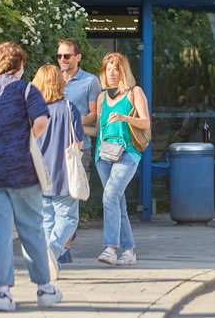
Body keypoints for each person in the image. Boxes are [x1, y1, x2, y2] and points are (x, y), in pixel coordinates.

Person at [0, 42, 62, 311]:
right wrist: (27, 141)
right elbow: (42, 120)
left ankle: (3, 294)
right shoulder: (26, 89)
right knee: (31, 227)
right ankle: (44, 289)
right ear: (20, 65)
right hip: (20, 171)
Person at [94, 52, 150, 266]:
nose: (112, 73)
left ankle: (110, 248)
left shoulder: (134, 93)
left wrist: (126, 118)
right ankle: (129, 250)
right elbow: (99, 129)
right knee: (117, 201)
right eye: (108, 69)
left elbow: (145, 123)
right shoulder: (101, 98)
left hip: (127, 153)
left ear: (123, 71)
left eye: (116, 69)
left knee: (109, 196)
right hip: (104, 154)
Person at [32, 65, 85, 280]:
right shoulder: (68, 108)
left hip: (37, 173)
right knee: (69, 219)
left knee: (46, 220)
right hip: (63, 173)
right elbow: (78, 141)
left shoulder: (31, 110)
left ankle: (46, 266)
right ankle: (52, 251)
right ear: (59, 83)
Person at [55, 38, 102, 264]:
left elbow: (94, 115)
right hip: (53, 148)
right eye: (59, 56)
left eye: (67, 56)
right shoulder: (53, 80)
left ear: (77, 57)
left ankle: (64, 247)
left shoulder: (90, 81)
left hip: (79, 148)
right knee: (53, 197)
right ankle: (56, 245)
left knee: (73, 195)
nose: (62, 60)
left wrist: (68, 119)